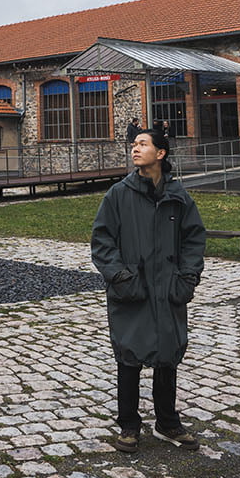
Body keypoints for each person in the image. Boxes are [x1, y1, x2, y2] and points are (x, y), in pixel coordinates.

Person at [90, 127, 206, 454]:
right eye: (134, 144)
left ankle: (167, 422)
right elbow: (102, 242)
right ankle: (128, 424)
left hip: (168, 289)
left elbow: (194, 240)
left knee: (168, 354)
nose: (135, 149)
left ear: (161, 153)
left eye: (143, 144)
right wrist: (122, 277)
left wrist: (187, 278)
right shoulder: (118, 195)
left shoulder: (178, 195)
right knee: (129, 355)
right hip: (132, 290)